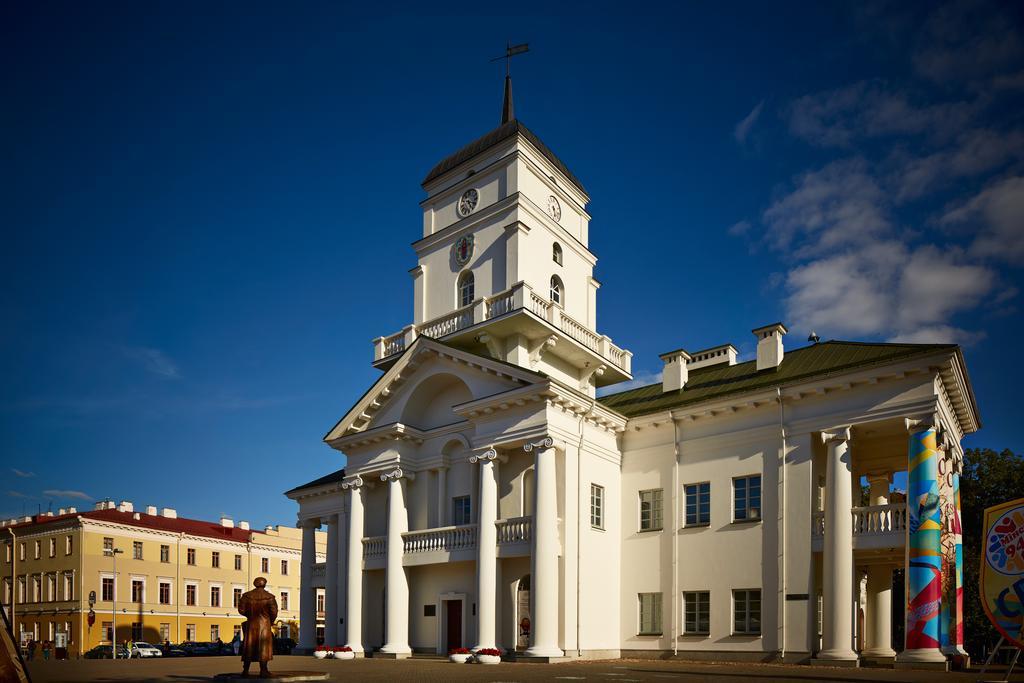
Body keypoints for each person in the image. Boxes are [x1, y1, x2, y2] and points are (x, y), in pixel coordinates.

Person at [238, 577, 278, 678]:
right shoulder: (269, 597)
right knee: (264, 647)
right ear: (264, 584)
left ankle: (245, 670)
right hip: (264, 624)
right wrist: (271, 621)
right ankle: (263, 670)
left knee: (249, 646)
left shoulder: (246, 596)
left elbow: (241, 610)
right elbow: (274, 612)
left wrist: (249, 615)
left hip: (251, 624)